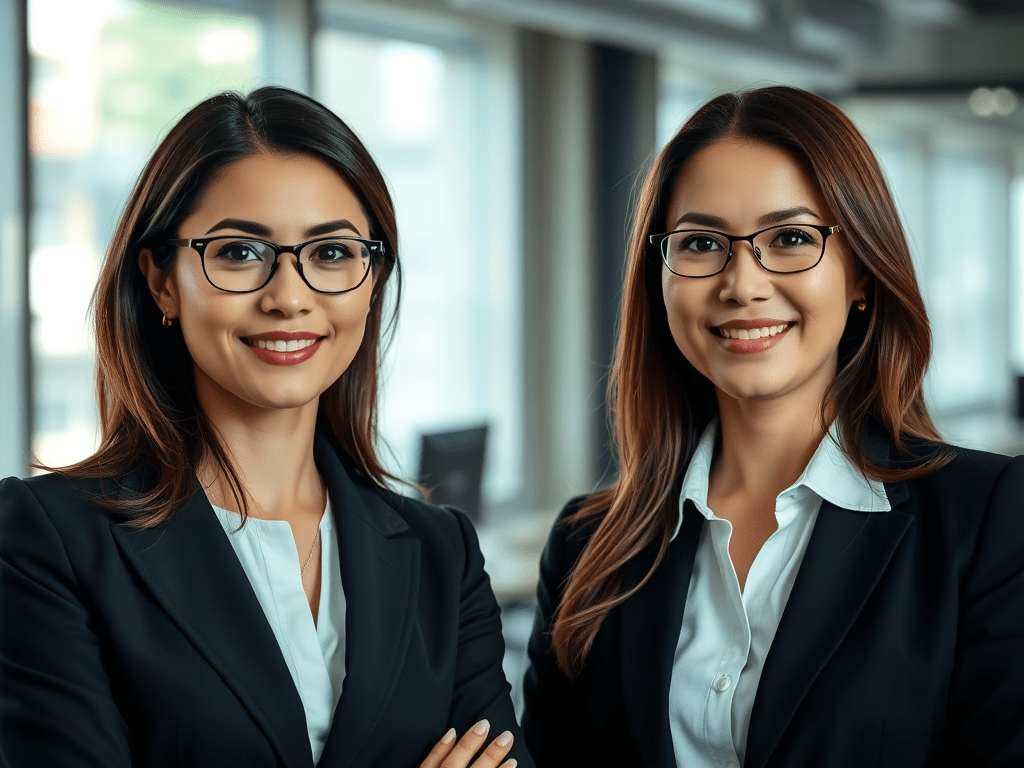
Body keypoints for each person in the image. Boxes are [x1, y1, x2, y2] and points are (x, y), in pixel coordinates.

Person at [0, 87, 530, 768]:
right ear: (163, 281)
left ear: (372, 282)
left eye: (333, 254)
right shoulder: (50, 542)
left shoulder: (441, 553)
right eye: (241, 252)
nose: (288, 296)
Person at [522, 85, 1023, 767]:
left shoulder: (987, 519)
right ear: (659, 278)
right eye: (701, 243)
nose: (743, 284)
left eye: (790, 238)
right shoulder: (588, 545)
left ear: (862, 277)